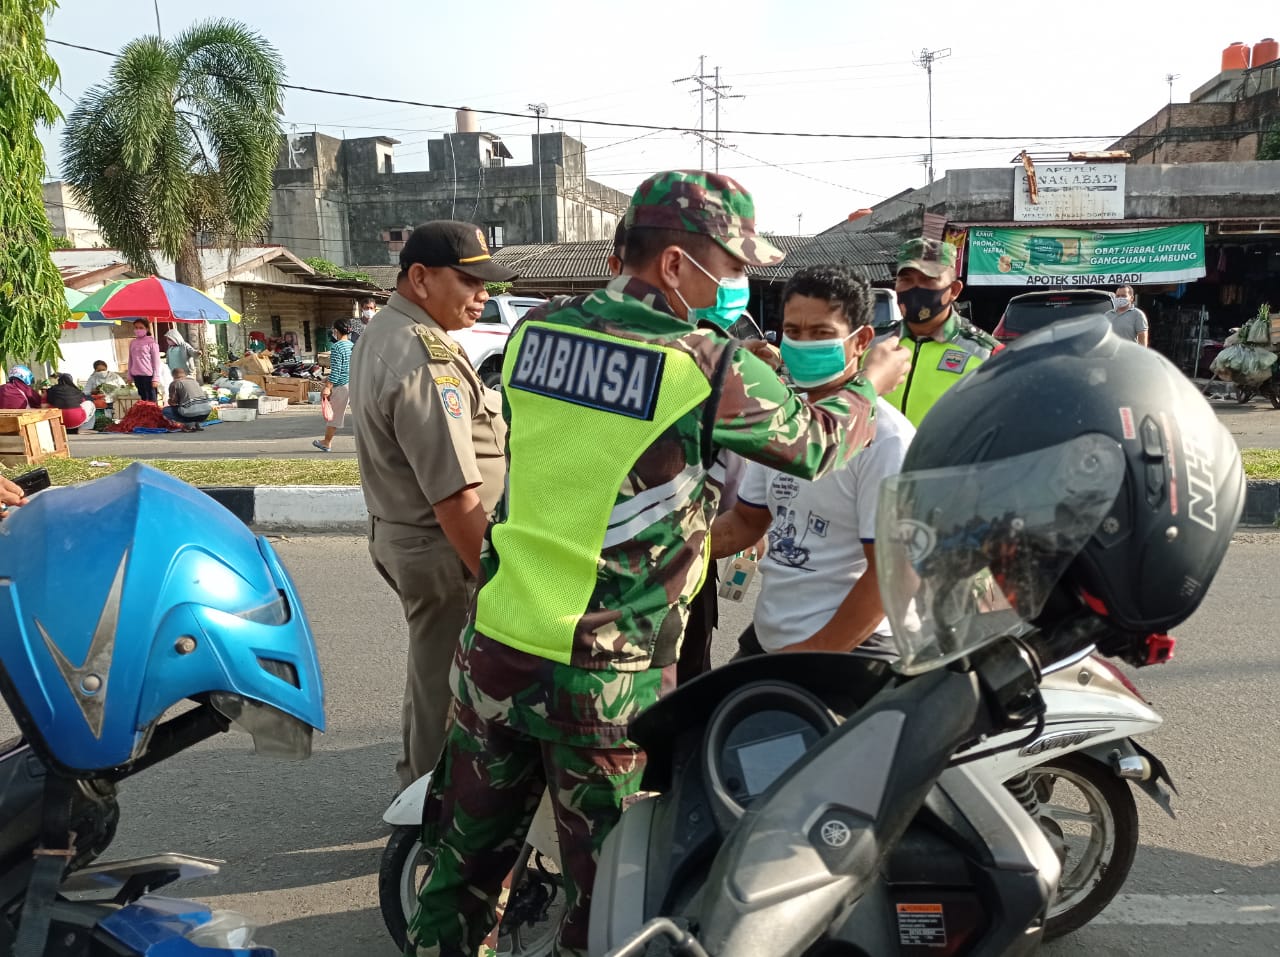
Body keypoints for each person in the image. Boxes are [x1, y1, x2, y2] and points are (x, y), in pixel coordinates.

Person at [405, 170, 911, 957]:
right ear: (676, 265)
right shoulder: (703, 361)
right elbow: (813, 443)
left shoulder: (537, 329)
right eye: (733, 267)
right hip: (602, 677)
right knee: (606, 893)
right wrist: (871, 381)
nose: (740, 285)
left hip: (495, 646)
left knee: (462, 869)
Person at [349, 221, 515, 793]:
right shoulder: (422, 358)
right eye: (469, 280)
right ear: (419, 278)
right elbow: (454, 497)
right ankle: (434, 806)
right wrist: (495, 577)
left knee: (433, 671)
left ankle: (421, 786)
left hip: (413, 536)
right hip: (443, 546)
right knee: (446, 679)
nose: (484, 294)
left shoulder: (393, 332)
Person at [710, 264, 915, 661]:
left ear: (861, 341)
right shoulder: (788, 423)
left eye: (821, 333)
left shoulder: (886, 439)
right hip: (771, 637)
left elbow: (891, 575)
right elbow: (747, 522)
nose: (804, 344)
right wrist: (673, 554)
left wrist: (810, 656)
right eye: (794, 332)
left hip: (851, 650)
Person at [885, 237, 1002, 427]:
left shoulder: (986, 354)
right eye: (906, 280)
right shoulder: (872, 344)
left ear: (954, 290)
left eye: (928, 280)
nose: (916, 289)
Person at [312, 319, 354, 452]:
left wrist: (328, 387)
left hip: (341, 386)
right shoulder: (351, 345)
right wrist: (327, 379)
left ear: (336, 331)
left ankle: (326, 442)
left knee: (334, 415)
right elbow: (347, 368)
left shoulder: (336, 347)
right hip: (352, 383)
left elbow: (336, 370)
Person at [162, 367, 213, 432]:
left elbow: (173, 402)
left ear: (173, 375)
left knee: (166, 410)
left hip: (191, 414)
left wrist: (169, 401)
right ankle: (196, 424)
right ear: (184, 374)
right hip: (205, 413)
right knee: (193, 406)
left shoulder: (175, 383)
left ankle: (188, 425)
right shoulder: (194, 381)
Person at [128, 320, 163, 403]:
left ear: (147, 329)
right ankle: (145, 416)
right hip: (137, 376)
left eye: (141, 328)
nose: (138, 330)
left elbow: (156, 361)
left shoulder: (152, 342)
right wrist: (129, 375)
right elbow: (130, 359)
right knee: (143, 399)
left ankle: (154, 416)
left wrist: (156, 378)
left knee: (151, 401)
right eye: (136, 328)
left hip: (148, 376)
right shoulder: (133, 343)